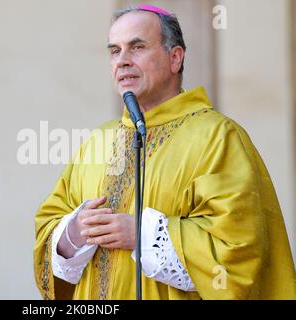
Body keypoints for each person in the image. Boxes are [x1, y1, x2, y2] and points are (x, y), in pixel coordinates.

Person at [33, 5, 296, 300]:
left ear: (175, 58)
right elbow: (49, 233)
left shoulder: (216, 137)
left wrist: (142, 236)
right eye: (114, 51)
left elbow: (238, 256)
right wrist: (74, 233)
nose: (122, 61)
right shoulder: (98, 141)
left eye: (137, 47)